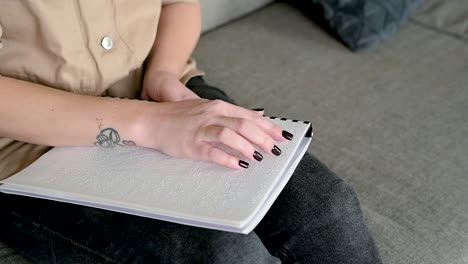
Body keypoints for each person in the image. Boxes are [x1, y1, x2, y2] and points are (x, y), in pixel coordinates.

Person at [0, 1, 383, 263]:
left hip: (164, 93)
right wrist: (148, 124)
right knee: (226, 254)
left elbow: (177, 3)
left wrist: (163, 74)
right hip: (28, 145)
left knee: (327, 210)